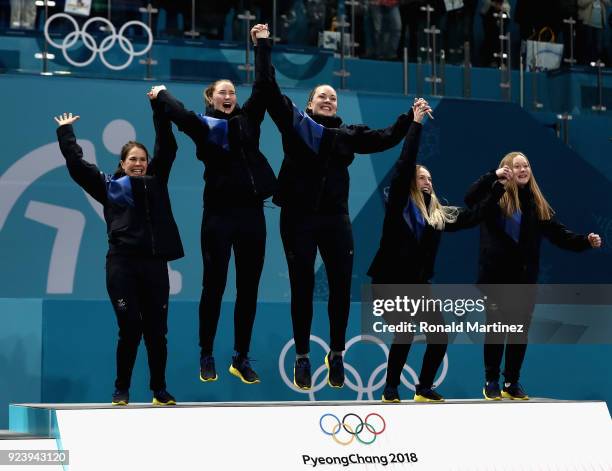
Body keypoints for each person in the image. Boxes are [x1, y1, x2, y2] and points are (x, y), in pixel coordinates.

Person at [260, 27, 417, 391]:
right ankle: (302, 356)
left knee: (340, 288)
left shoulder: (348, 135)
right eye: (322, 97)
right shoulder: (295, 125)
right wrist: (264, 46)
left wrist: (410, 116)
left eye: (332, 97)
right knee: (301, 287)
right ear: (310, 103)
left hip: (335, 221)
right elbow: (269, 91)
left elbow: (386, 139)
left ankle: (336, 354)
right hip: (297, 219)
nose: (329, 101)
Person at [148, 24, 276, 386]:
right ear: (211, 98)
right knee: (215, 287)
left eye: (233, 91)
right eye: (223, 92)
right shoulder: (204, 127)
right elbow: (182, 116)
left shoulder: (249, 119)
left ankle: (240, 357)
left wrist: (262, 45)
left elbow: (265, 85)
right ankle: (207, 352)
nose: (230, 95)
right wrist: (161, 94)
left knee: (248, 288)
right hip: (218, 216)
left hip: (252, 214)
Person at [368, 99, 506, 403]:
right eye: (421, 178)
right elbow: (405, 164)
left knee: (439, 336)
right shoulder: (397, 206)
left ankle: (423, 387)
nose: (427, 181)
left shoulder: (437, 215)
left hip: (417, 284)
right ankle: (390, 389)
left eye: (429, 177)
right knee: (403, 332)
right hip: (389, 282)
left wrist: (496, 188)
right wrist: (416, 124)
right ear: (411, 184)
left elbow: (471, 217)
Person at [53, 96, 183, 406]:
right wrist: (66, 134)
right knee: (130, 328)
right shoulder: (109, 187)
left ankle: (159, 390)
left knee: (157, 332)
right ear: (122, 164)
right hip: (122, 265)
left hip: (154, 266)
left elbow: (169, 147)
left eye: (142, 159)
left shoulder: (156, 182)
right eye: (132, 160)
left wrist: (158, 109)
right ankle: (121, 388)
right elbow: (78, 168)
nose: (139, 164)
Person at [465, 151, 602, 401]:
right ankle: (491, 380)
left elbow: (558, 234)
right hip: (495, 278)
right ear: (507, 170)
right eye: (517, 166)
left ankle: (511, 381)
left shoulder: (535, 202)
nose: (523, 169)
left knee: (519, 332)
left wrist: (585, 241)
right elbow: (469, 197)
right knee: (496, 328)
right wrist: (492, 177)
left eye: (526, 165)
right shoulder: (494, 196)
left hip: (523, 281)